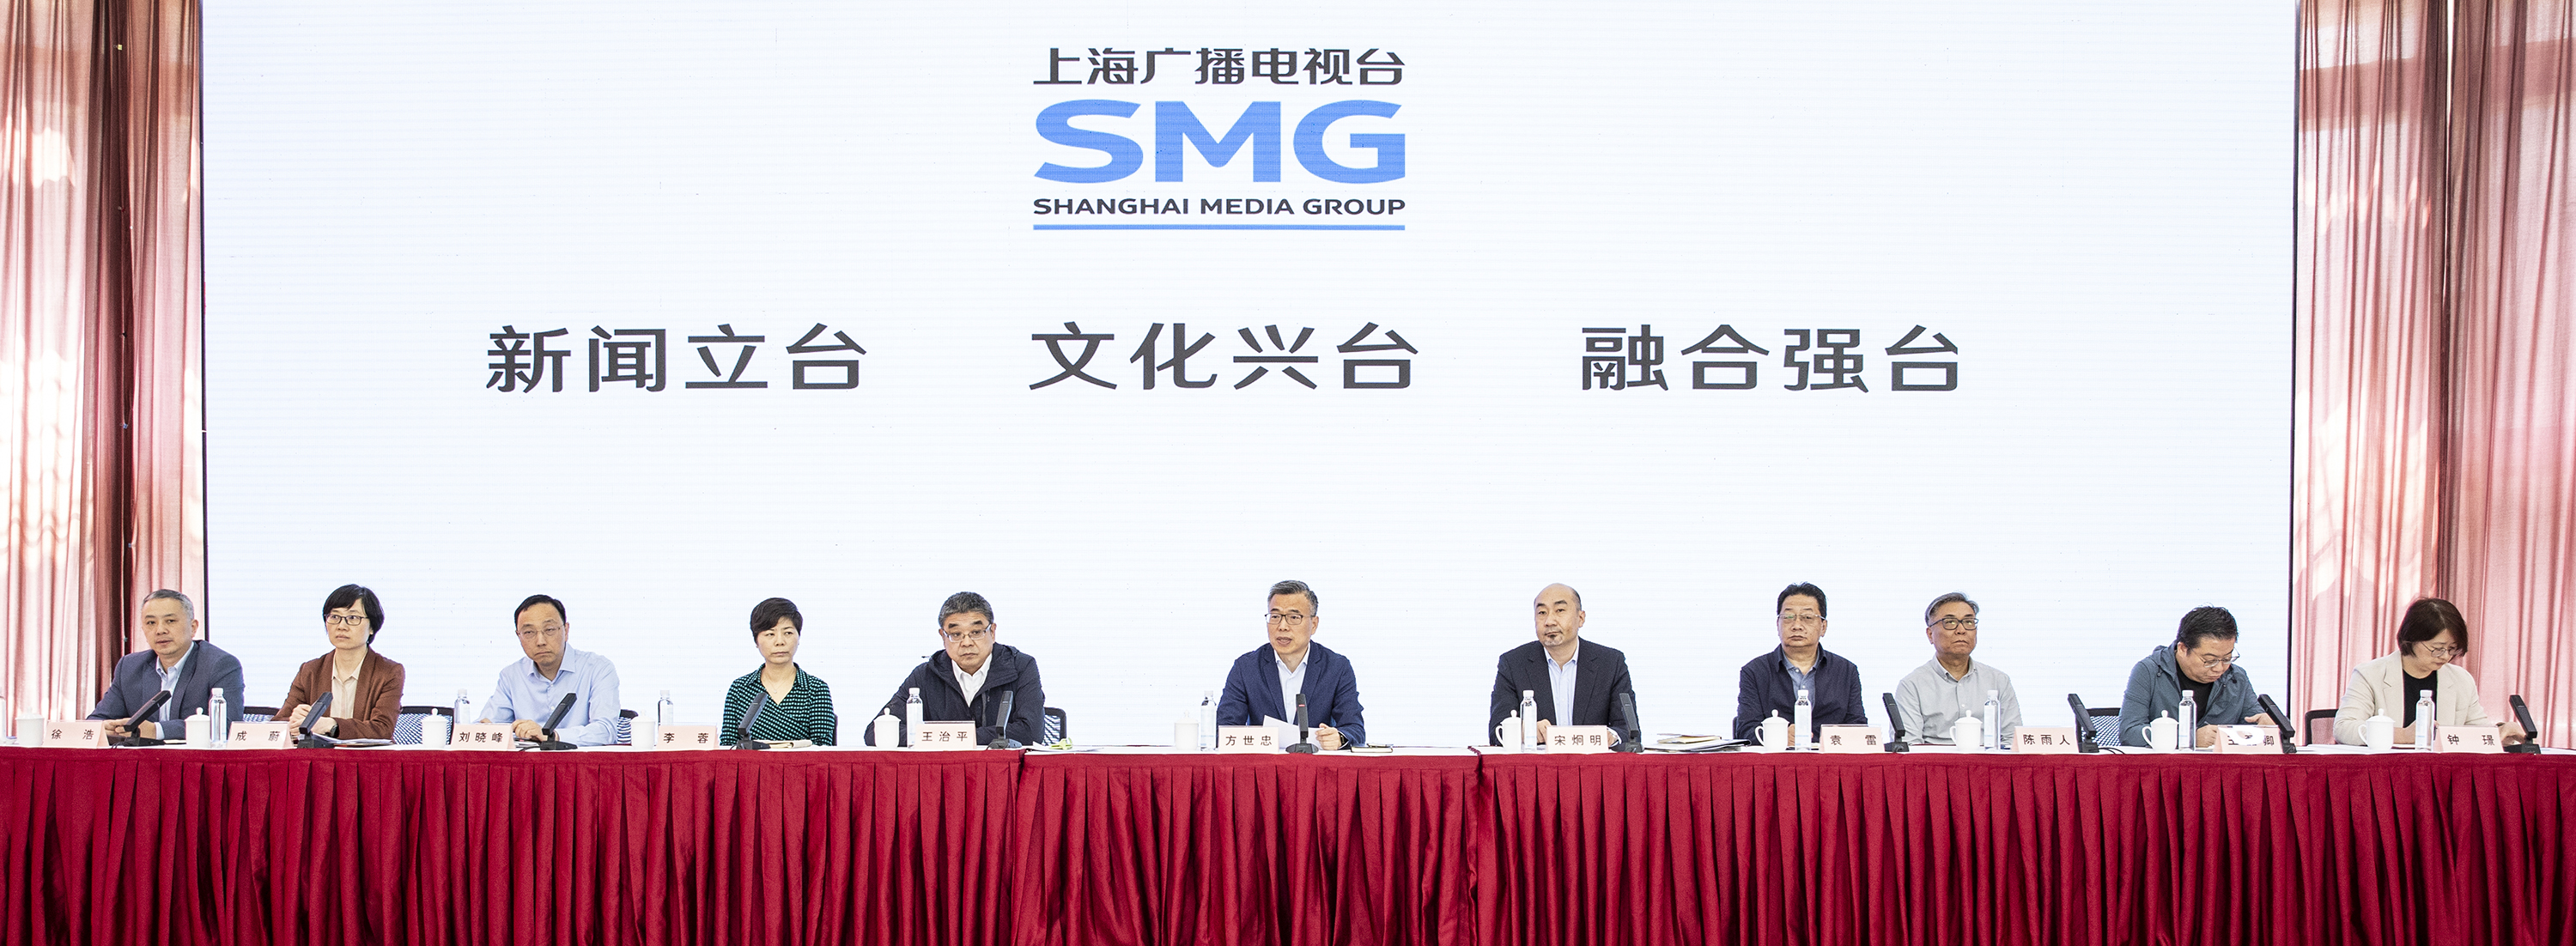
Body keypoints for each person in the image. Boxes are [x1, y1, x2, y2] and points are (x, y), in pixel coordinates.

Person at [2333, 597, 2527, 746]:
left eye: (2452, 649)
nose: (2445, 656)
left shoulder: (2461, 679)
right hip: (2387, 773)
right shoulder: (2370, 675)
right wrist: (2402, 735)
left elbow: (2475, 731)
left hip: (2443, 774)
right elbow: (2344, 728)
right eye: (2437, 649)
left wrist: (2500, 732)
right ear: (2411, 639)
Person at [864, 592, 1045, 746]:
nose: (967, 642)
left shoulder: (1020, 667)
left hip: (1001, 772)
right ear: (943, 636)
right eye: (956, 634)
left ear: (992, 632)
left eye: (976, 632)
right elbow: (876, 732)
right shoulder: (926, 675)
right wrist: (955, 737)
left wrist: (951, 737)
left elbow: (1031, 732)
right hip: (943, 773)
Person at [1218, 579, 1366, 749]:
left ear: (1314, 625)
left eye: (1294, 617)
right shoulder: (1246, 668)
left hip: (1316, 763)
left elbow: (1355, 729)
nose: (1282, 626)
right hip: (1264, 764)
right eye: (1275, 617)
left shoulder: (1336, 668)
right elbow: (1224, 729)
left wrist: (1339, 738)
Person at [1486, 583, 1635, 744]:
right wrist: (1524, 731)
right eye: (1542, 613)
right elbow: (1497, 732)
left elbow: (1629, 731)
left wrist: (1610, 736)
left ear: (1581, 618)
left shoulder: (1611, 663)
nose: (1549, 621)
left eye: (1560, 610)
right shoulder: (1513, 664)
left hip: (1592, 760)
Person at [90, 589, 246, 743]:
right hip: (142, 758)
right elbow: (97, 720)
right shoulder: (130, 666)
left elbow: (226, 725)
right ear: (143, 630)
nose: (160, 630)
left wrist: (156, 731)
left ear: (193, 627)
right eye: (151, 623)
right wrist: (105, 728)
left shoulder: (220, 665)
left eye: (170, 621)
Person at [2117, 605, 2275, 747]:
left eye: (2227, 658)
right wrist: (2187, 738)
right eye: (2210, 660)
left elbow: (2254, 723)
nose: (2220, 668)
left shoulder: (2237, 677)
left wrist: (2267, 728)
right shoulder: (2148, 671)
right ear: (2183, 649)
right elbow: (2129, 732)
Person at [1731, 582, 1866, 742]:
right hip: (1778, 756)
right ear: (1777, 624)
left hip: (1829, 755)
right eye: (1788, 617)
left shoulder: (1845, 671)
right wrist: (1778, 736)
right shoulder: (1755, 671)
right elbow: (1745, 730)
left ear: (1823, 627)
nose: (1797, 626)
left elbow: (1858, 726)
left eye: (1807, 618)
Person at [482, 594, 623, 746]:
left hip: (582, 760)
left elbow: (606, 731)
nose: (540, 641)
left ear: (566, 631)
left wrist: (551, 736)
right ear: (519, 636)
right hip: (529, 760)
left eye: (549, 629)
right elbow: (487, 726)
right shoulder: (511, 676)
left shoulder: (598, 668)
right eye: (529, 632)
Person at [276, 585, 406, 740]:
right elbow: (277, 725)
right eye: (334, 617)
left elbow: (383, 729)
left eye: (353, 618)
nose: (341, 626)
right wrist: (293, 722)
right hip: (319, 755)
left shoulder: (388, 672)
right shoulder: (310, 670)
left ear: (372, 627)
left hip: (366, 755)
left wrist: (332, 726)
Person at [1893, 591, 2023, 745]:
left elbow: (2013, 741)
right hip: (1934, 760)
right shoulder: (1912, 685)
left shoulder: (1998, 681)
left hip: (1987, 760)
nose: (1961, 630)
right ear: (1930, 634)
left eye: (1969, 622)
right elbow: (1909, 746)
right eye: (1950, 622)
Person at [722, 597, 837, 746]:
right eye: (770, 634)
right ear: (756, 641)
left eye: (788, 633)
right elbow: (727, 746)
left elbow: (823, 749)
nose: (780, 642)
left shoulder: (816, 689)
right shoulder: (740, 688)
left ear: (798, 637)